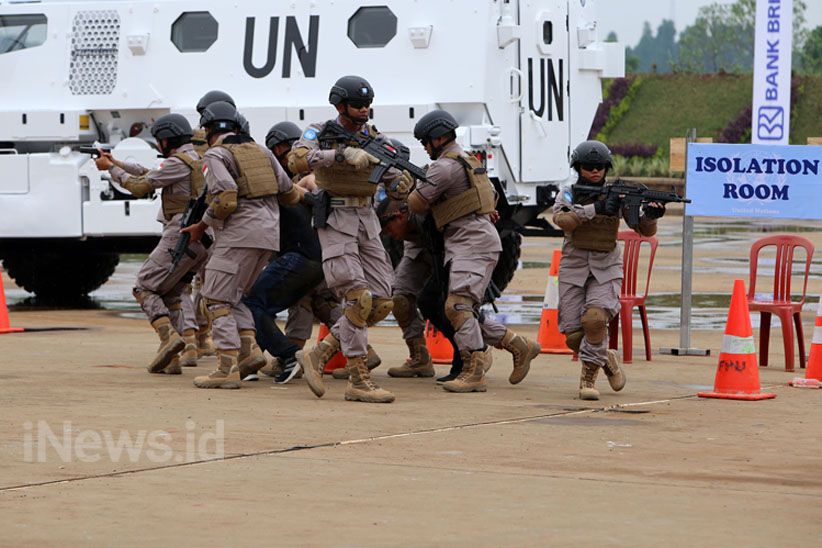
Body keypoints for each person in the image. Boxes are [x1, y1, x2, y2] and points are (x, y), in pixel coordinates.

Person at [288, 75, 413, 403]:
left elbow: (390, 171)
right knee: (358, 298)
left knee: (383, 299)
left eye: (368, 104)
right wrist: (340, 156)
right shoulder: (320, 131)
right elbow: (297, 158)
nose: (364, 110)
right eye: (358, 104)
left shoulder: (374, 137)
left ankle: (322, 352)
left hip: (367, 219)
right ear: (340, 105)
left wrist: (400, 182)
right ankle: (359, 379)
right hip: (336, 219)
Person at [406, 109, 541, 393]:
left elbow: (417, 204)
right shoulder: (469, 160)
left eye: (426, 142)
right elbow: (489, 196)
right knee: (463, 308)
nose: (425, 148)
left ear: (439, 137)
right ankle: (518, 345)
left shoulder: (443, 167)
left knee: (457, 307)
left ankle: (474, 370)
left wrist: (411, 184)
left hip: (471, 243)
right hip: (473, 240)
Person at [181, 101, 302, 389]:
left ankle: (226, 368)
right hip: (268, 236)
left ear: (209, 129)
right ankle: (249, 354)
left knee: (216, 299)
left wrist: (202, 224)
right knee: (235, 298)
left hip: (238, 235)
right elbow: (288, 192)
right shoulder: (261, 150)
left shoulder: (216, 154)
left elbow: (226, 197)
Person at [95, 114, 209, 374]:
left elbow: (138, 186)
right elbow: (150, 174)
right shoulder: (196, 160)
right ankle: (173, 360)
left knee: (143, 287)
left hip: (179, 234)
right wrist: (116, 161)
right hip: (202, 238)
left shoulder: (176, 163)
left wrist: (110, 169)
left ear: (166, 140)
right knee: (171, 294)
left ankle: (169, 338)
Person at [552, 140, 664, 400]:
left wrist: (650, 216)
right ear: (578, 167)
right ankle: (606, 358)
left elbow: (643, 230)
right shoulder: (568, 193)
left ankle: (588, 380)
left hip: (606, 268)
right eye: (589, 167)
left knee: (594, 320)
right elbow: (563, 220)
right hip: (574, 267)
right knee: (571, 335)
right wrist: (596, 208)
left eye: (600, 167)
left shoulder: (618, 194)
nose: (595, 172)